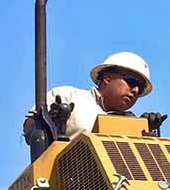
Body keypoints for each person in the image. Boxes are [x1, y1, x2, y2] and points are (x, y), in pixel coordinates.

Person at [24, 51, 153, 139]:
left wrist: (145, 133)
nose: (135, 90)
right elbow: (28, 130)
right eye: (131, 81)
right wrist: (47, 122)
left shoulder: (129, 123)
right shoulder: (69, 96)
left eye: (140, 88)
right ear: (107, 78)